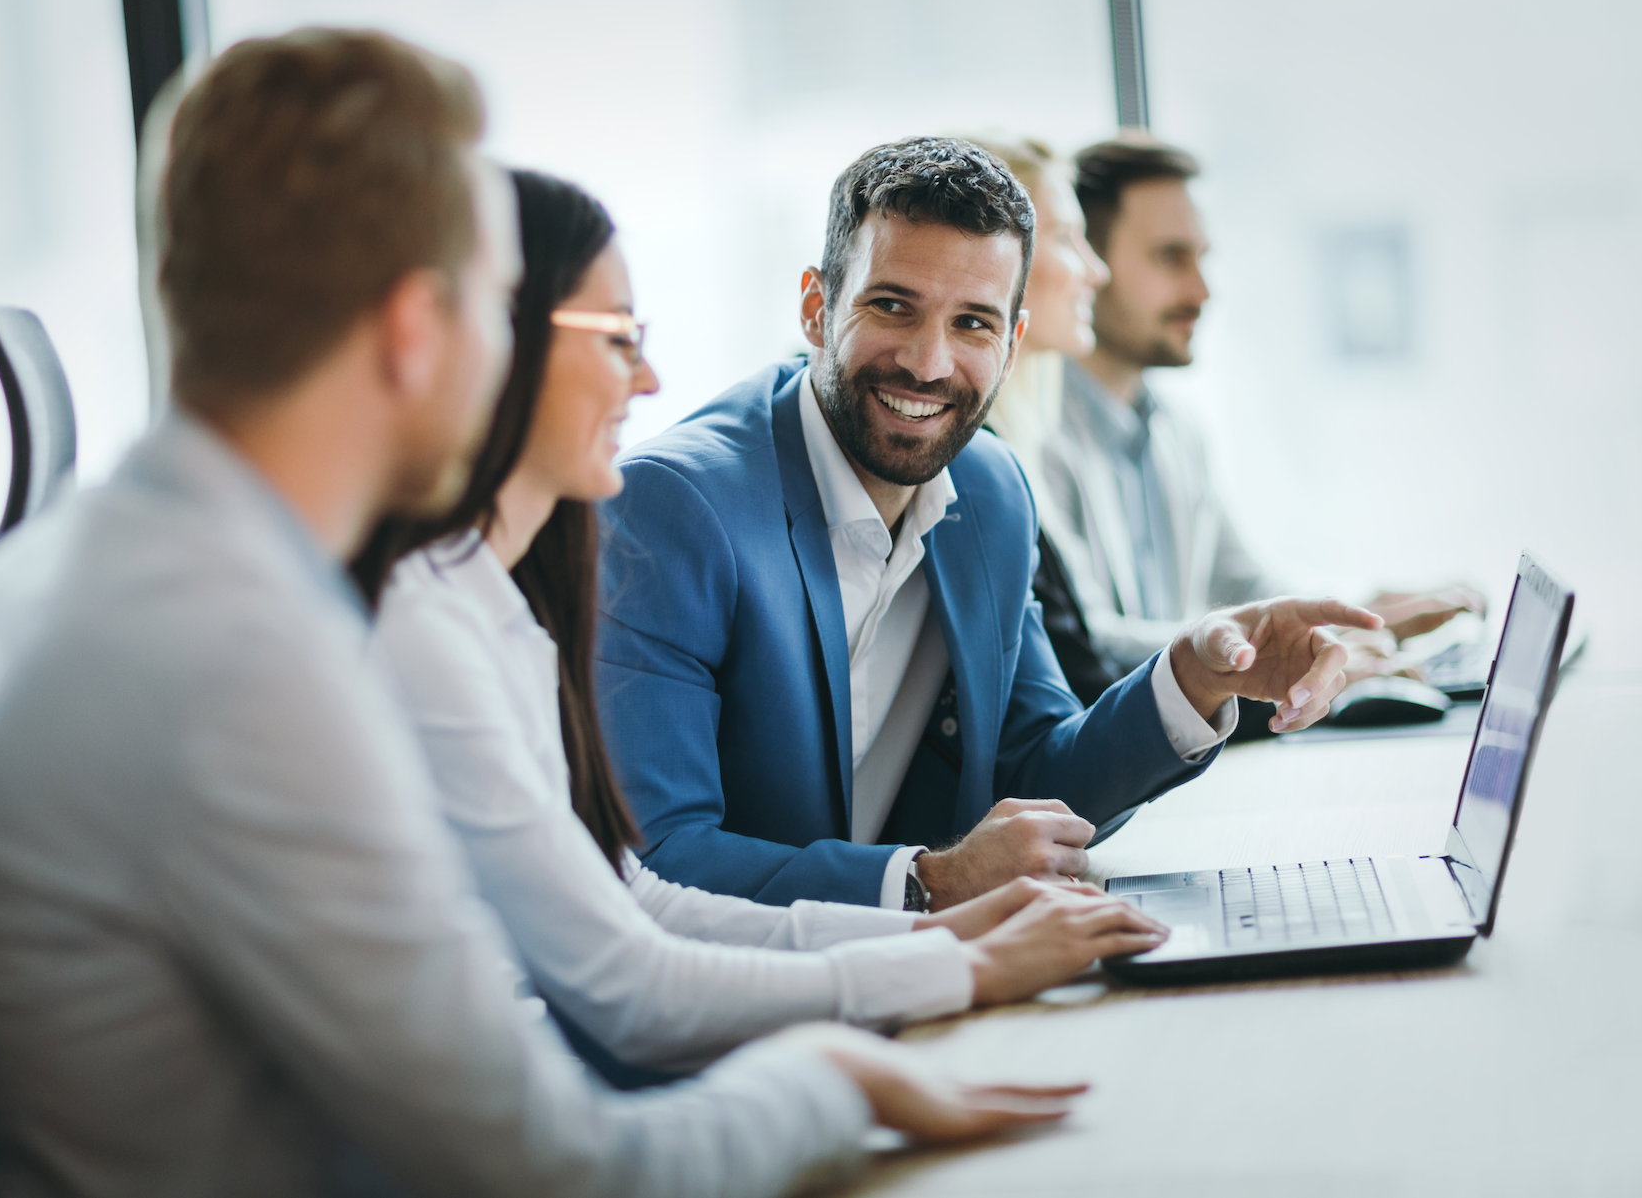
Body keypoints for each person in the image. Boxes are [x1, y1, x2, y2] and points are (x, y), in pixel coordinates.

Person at [0, 34, 1080, 1198]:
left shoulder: (118, 573)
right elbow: (554, 1164)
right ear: (414, 328)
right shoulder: (247, 658)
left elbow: (608, 928)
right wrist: (833, 1076)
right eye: (499, 305)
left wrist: (921, 963)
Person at [356, 170, 1169, 1089]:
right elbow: (633, 948)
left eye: (973, 323)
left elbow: (634, 915)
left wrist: (944, 941)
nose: (930, 361)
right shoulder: (633, 523)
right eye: (617, 335)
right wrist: (936, 941)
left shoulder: (486, 608)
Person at [595, 137, 1381, 915]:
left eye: (972, 323)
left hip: (915, 986)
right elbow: (656, 861)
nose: (928, 363)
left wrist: (1195, 675)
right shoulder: (671, 508)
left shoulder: (991, 489)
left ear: (1011, 343)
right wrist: (930, 882)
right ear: (815, 305)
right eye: (892, 305)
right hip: (728, 1014)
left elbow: (1040, 771)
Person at [1041, 135, 1483, 695]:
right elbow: (1088, 649)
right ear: (1091, 265)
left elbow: (1243, 585)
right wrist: (1278, 652)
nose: (1202, 291)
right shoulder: (1035, 439)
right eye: (1171, 257)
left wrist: (1362, 609)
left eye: (1202, 259)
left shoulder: (1177, 430)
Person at [968, 136, 1123, 706]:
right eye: (1065, 239)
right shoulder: (974, 464)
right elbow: (1082, 674)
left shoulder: (1026, 443)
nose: (1096, 270)